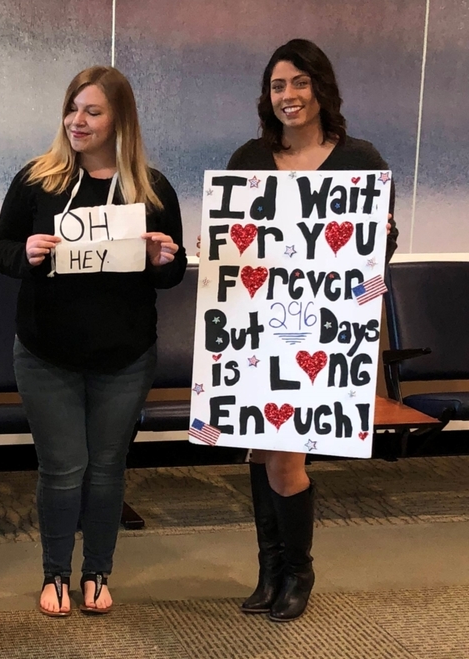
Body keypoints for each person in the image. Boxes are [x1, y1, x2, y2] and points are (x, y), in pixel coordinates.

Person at [0, 66, 186, 617]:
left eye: (93, 111)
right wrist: (24, 253)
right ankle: (55, 575)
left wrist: (161, 259)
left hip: (123, 358)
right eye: (73, 109)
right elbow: (2, 249)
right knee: (63, 467)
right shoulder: (37, 179)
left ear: (120, 118)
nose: (78, 121)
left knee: (106, 468)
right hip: (45, 353)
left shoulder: (151, 187)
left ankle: (97, 573)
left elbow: (172, 271)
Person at [226, 38, 398, 623]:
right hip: (258, 330)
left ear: (322, 89)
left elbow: (377, 263)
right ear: (266, 95)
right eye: (278, 85)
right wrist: (217, 250)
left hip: (322, 334)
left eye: (300, 83)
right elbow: (235, 244)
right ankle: (270, 570)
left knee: (286, 460)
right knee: (258, 450)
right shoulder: (249, 159)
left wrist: (362, 308)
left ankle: (298, 570)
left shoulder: (361, 162)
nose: (289, 96)